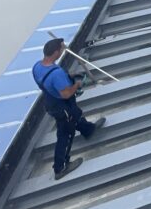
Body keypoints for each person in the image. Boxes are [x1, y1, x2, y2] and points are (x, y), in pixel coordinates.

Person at [32, 38, 106, 180]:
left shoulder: (37, 67)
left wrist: (67, 77)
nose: (63, 50)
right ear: (55, 52)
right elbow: (66, 94)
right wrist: (76, 85)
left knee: (76, 115)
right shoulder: (56, 74)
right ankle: (60, 167)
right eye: (61, 48)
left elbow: (49, 84)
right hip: (62, 106)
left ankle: (88, 130)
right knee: (66, 133)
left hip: (50, 102)